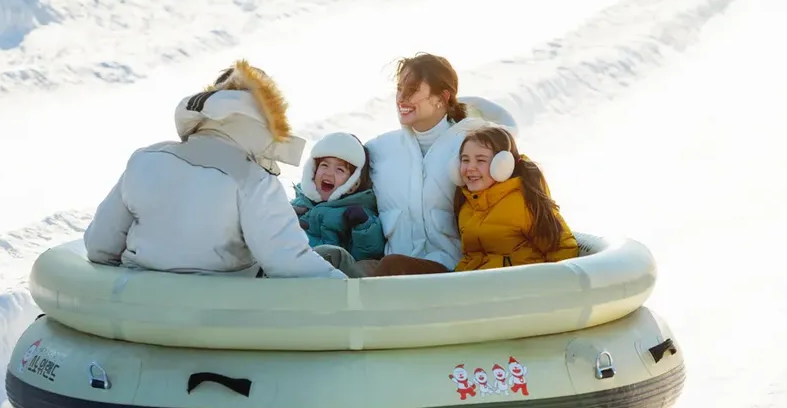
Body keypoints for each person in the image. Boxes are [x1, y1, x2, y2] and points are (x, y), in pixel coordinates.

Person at [82, 60, 347, 279]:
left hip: (134, 303)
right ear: (267, 124)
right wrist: (345, 288)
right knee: (330, 255)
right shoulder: (253, 180)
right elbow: (288, 261)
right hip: (217, 316)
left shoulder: (145, 159)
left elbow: (99, 247)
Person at [357, 52, 519, 277]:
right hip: (393, 277)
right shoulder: (380, 150)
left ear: (442, 98)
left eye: (412, 89)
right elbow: (341, 188)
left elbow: (512, 203)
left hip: (454, 273)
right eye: (399, 88)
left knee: (392, 267)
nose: (401, 98)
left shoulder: (473, 147)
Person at [452, 126, 578, 271]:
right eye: (465, 160)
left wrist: (548, 287)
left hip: (517, 289)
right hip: (479, 287)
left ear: (502, 165)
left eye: (480, 160)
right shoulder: (467, 207)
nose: (470, 167)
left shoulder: (524, 203)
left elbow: (562, 247)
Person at [290, 132, 384, 264]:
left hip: (329, 273)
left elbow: (367, 254)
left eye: (340, 169)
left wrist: (363, 227)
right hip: (287, 266)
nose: (329, 173)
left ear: (352, 183)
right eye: (324, 165)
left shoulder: (354, 211)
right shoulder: (299, 203)